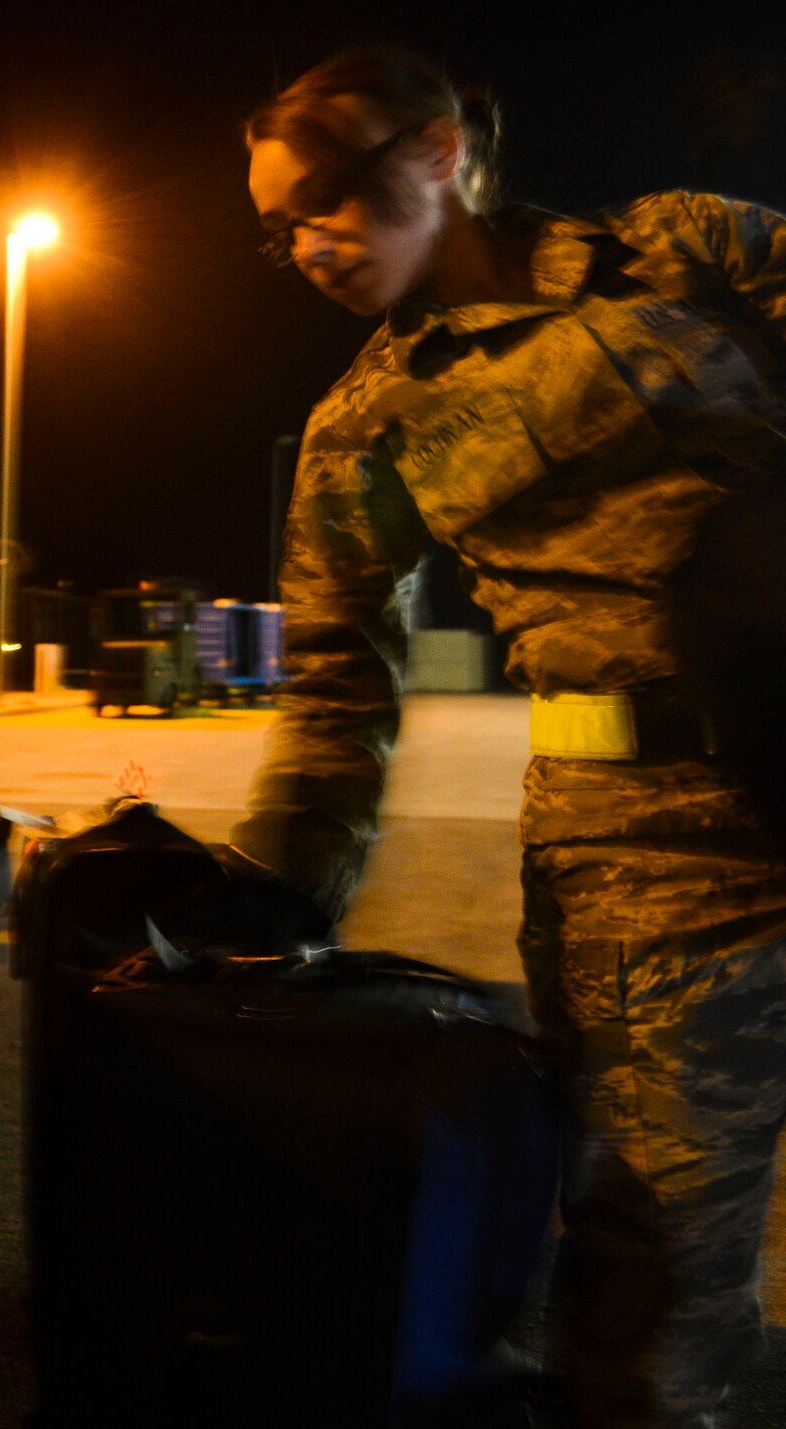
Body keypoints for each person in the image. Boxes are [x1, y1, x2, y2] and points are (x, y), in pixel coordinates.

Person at [233, 45, 786, 1429]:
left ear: (434, 153)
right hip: (654, 865)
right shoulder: (366, 424)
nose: (303, 244)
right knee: (656, 1300)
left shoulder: (678, 244)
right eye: (275, 228)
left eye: (322, 201)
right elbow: (331, 694)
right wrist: (258, 918)